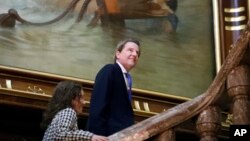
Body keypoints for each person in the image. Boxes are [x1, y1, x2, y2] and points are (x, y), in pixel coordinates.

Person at [86, 38, 141, 136]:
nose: (135, 54)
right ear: (118, 54)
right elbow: (98, 106)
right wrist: (97, 136)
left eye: (137, 52)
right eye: (130, 50)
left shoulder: (127, 78)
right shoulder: (110, 70)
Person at [41, 80, 108, 141]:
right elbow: (61, 134)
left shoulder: (58, 115)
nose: (84, 102)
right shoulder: (69, 111)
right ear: (72, 99)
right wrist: (91, 136)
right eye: (81, 97)